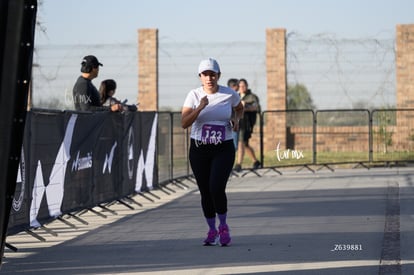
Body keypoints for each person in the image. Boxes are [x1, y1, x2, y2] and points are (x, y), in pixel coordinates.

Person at [181, 58, 244, 246]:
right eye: (205, 75)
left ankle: (223, 226)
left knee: (216, 187)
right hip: (200, 149)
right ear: (200, 77)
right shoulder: (193, 95)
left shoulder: (229, 94)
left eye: (212, 74)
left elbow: (239, 108)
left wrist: (236, 119)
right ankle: (211, 230)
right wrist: (199, 107)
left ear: (218, 76)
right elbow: (184, 123)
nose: (209, 78)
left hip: (222, 148)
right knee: (205, 192)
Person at [234, 78, 261, 172]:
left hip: (246, 124)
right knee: (245, 144)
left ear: (247, 86)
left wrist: (245, 107)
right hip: (236, 122)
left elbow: (256, 107)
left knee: (240, 142)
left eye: (243, 86)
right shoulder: (235, 96)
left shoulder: (252, 97)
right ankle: (256, 161)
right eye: (240, 86)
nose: (241, 88)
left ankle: (238, 164)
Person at [227, 78, 239, 150]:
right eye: (238, 85)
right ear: (234, 86)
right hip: (230, 123)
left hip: (233, 122)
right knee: (233, 146)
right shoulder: (230, 95)